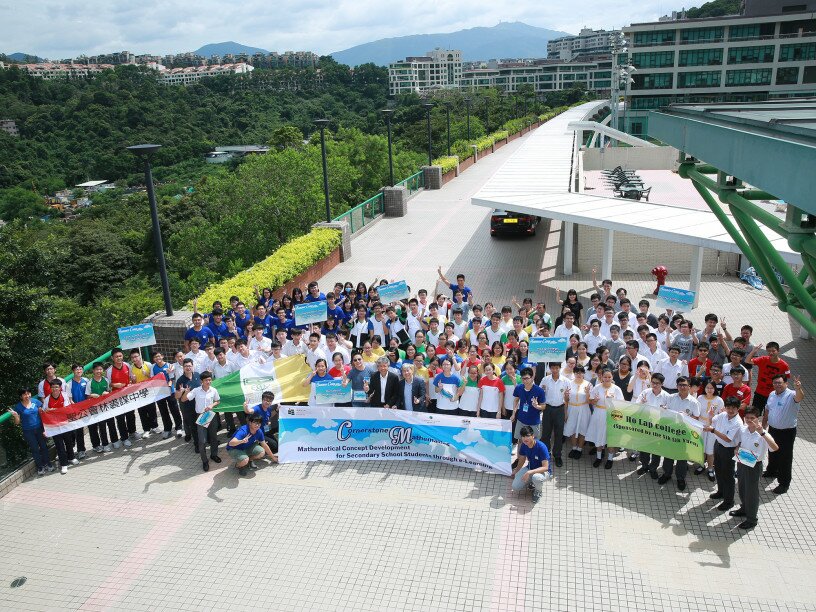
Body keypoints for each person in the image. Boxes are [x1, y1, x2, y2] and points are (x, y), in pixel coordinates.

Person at [731, 407, 779, 530]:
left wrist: (762, 433)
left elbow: (775, 447)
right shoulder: (743, 429)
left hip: (754, 465)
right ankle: (744, 509)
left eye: (752, 418)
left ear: (758, 419)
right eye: (747, 418)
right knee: (741, 488)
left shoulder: (763, 434)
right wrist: (737, 448)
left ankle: (752, 519)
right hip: (742, 461)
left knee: (751, 493)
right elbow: (739, 442)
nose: (749, 420)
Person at [762, 373, 804, 495]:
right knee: (772, 451)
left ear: (786, 383)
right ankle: (771, 471)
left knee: (785, 457)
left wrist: (798, 388)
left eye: (780, 383)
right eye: (775, 383)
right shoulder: (771, 394)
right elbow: (767, 410)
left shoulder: (792, 395)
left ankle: (784, 483)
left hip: (787, 432)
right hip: (773, 429)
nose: (777, 385)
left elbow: (800, 397)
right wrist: (764, 427)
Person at [656, 376, 701, 490]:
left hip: (684, 433)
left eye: (685, 385)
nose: (682, 387)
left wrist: (687, 416)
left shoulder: (694, 402)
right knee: (668, 454)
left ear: (689, 386)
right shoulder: (670, 398)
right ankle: (667, 474)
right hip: (670, 430)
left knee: (682, 457)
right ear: (676, 386)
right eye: (680, 385)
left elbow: (696, 418)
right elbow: (664, 410)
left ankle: (680, 478)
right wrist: (663, 409)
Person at [703, 396, 743, 511]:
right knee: (718, 471)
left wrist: (713, 430)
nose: (730, 411)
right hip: (718, 446)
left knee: (728, 476)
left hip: (729, 450)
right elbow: (712, 422)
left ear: (738, 409)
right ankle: (721, 492)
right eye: (728, 407)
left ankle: (729, 501)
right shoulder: (723, 415)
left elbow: (728, 439)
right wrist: (710, 416)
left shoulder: (738, 422)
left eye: (733, 408)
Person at [180, 371, 221, 472]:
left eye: (210, 380)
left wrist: (212, 405)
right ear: (201, 381)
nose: (208, 382)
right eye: (206, 380)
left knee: (214, 438)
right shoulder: (196, 390)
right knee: (202, 441)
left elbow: (218, 401)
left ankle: (214, 455)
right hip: (202, 416)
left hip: (211, 415)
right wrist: (185, 391)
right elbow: (183, 400)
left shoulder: (213, 390)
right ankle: (204, 461)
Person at [7, 388, 54, 475]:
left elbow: (43, 412)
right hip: (28, 431)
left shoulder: (35, 402)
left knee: (44, 447)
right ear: (21, 396)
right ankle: (40, 467)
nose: (27, 396)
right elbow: (17, 423)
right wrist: (16, 416)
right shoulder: (18, 407)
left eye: (28, 393)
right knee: (35, 449)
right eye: (24, 394)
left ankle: (48, 464)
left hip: (40, 428)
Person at [587, 368, 624, 469]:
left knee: (610, 438)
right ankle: (598, 458)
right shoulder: (597, 387)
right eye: (605, 377)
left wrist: (613, 403)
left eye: (609, 377)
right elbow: (590, 401)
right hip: (599, 413)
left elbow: (622, 403)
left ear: (612, 377)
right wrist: (595, 400)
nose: (607, 379)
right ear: (601, 377)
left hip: (611, 415)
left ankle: (610, 459)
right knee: (599, 436)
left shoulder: (616, 389)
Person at [635, 373, 671, 478]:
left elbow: (670, 413)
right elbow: (636, 406)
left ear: (662, 384)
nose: (654, 385)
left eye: (657, 383)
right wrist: (642, 402)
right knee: (644, 447)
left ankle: (653, 468)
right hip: (645, 424)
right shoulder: (645, 393)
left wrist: (665, 410)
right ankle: (644, 465)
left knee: (656, 449)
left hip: (659, 426)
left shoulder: (667, 396)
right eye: (653, 382)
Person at [41, 379, 79, 474]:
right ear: (50, 388)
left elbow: (67, 409)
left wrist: (55, 410)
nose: (55, 389)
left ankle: (71, 457)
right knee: (59, 445)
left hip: (65, 423)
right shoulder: (47, 399)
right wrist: (48, 410)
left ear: (60, 388)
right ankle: (64, 464)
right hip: (54, 426)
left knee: (69, 442)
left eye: (57, 387)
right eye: (53, 387)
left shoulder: (65, 396)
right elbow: (45, 413)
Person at [511, 425, 551, 504]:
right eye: (523, 436)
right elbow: (522, 461)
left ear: (533, 436)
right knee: (515, 487)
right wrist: (516, 471)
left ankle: (538, 491)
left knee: (536, 478)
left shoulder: (541, 447)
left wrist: (529, 472)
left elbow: (545, 467)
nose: (525, 439)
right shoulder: (524, 445)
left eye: (527, 436)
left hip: (544, 472)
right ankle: (531, 482)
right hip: (530, 468)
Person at [746, 342, 791, 412]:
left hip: (775, 395)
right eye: (769, 351)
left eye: (773, 351)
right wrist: (753, 351)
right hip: (759, 393)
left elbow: (785, 380)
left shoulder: (784, 365)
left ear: (778, 351)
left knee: (770, 415)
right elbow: (747, 360)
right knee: (754, 414)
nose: (771, 353)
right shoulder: (763, 359)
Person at [539, 362, 569, 467]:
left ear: (560, 368)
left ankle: (557, 455)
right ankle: (545, 454)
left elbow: (568, 399)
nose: (555, 370)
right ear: (550, 368)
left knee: (559, 434)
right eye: (552, 368)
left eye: (556, 368)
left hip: (560, 409)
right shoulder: (545, 380)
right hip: (547, 409)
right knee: (545, 434)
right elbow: (540, 393)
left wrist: (566, 412)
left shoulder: (566, 381)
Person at [85, 362, 116, 452]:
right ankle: (105, 444)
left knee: (111, 424)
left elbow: (110, 392)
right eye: (97, 369)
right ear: (93, 371)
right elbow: (87, 396)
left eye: (100, 369)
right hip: (96, 408)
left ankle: (114, 440)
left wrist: (108, 393)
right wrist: (92, 395)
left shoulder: (106, 380)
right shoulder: (90, 383)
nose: (99, 371)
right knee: (102, 426)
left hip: (106, 406)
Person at [106, 348, 134, 447]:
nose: (118, 358)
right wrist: (115, 385)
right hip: (117, 398)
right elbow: (108, 384)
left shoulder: (127, 365)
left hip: (128, 395)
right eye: (116, 356)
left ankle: (132, 432)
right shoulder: (109, 370)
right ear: (112, 358)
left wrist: (131, 382)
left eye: (120, 356)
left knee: (131, 415)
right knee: (120, 418)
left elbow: (131, 378)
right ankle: (124, 438)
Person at [698, 380, 725, 482]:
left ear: (715, 389)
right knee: (701, 446)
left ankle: (710, 468)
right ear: (704, 388)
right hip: (701, 425)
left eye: (711, 388)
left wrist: (713, 417)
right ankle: (701, 465)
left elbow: (722, 415)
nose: (709, 390)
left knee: (709, 448)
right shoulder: (700, 398)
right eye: (707, 387)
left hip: (713, 427)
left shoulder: (719, 400)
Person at [564, 366, 592, 459]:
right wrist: (566, 396)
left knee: (582, 429)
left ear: (584, 373)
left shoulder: (588, 384)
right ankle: (574, 447)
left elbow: (589, 401)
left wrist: (588, 393)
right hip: (572, 408)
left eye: (581, 372)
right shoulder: (569, 383)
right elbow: (566, 400)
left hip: (583, 408)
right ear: (574, 373)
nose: (579, 374)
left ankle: (580, 449)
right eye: (577, 372)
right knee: (572, 428)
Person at [512, 367, 546, 441]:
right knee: (520, 440)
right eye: (523, 378)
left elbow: (543, 406)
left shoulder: (539, 391)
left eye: (527, 378)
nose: (525, 381)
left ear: (532, 377)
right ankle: (519, 453)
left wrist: (537, 406)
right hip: (521, 419)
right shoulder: (519, 388)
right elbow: (516, 400)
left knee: (533, 442)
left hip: (533, 421)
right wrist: (513, 413)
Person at [174, 358, 201, 446]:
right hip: (187, 406)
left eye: (189, 366)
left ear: (192, 366)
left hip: (199, 405)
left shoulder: (197, 375)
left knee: (201, 423)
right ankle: (196, 444)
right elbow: (176, 396)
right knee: (192, 424)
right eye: (186, 366)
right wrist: (181, 391)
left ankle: (205, 439)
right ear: (183, 367)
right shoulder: (180, 380)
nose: (188, 368)